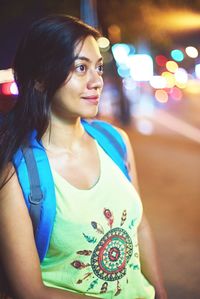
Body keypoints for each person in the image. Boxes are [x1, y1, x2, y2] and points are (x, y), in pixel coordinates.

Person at [0, 14, 167, 299]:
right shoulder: (17, 176)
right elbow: (28, 291)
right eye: (80, 68)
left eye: (98, 68)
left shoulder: (115, 141)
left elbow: (140, 227)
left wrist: (159, 292)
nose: (96, 81)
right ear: (39, 79)